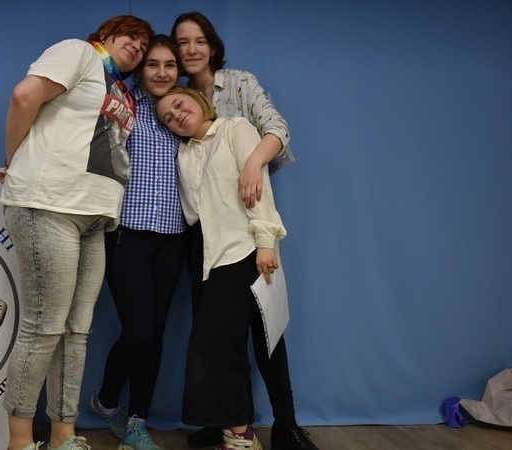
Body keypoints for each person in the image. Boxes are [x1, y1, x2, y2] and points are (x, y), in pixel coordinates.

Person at [0, 15, 153, 450]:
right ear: (106, 34)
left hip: (95, 218)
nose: (138, 48)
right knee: (44, 327)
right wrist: (14, 161)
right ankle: (19, 441)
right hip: (49, 203)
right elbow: (24, 96)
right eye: (131, 36)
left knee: (76, 332)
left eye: (145, 46)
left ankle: (64, 435)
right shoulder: (80, 52)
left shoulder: (120, 89)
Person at [171, 12, 319, 450]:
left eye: (199, 40)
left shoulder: (238, 85)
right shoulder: (174, 99)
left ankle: (286, 425)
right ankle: (223, 420)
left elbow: (277, 129)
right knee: (217, 333)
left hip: (248, 225)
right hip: (204, 235)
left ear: (212, 46)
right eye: (182, 42)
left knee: (265, 328)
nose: (191, 49)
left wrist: (253, 162)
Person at [155, 86, 283, 450]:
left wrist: (266, 241)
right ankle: (228, 429)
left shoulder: (234, 128)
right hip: (204, 253)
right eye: (168, 118)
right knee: (220, 344)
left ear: (195, 99)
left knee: (214, 344)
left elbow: (258, 184)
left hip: (241, 247)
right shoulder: (184, 152)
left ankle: (241, 436)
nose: (176, 115)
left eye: (178, 104)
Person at [89, 35, 186, 450]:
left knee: (157, 331)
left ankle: (136, 423)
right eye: (153, 64)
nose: (162, 73)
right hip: (127, 233)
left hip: (174, 236)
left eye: (170, 65)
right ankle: (107, 401)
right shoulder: (123, 104)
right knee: (140, 331)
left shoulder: (186, 109)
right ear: (140, 69)